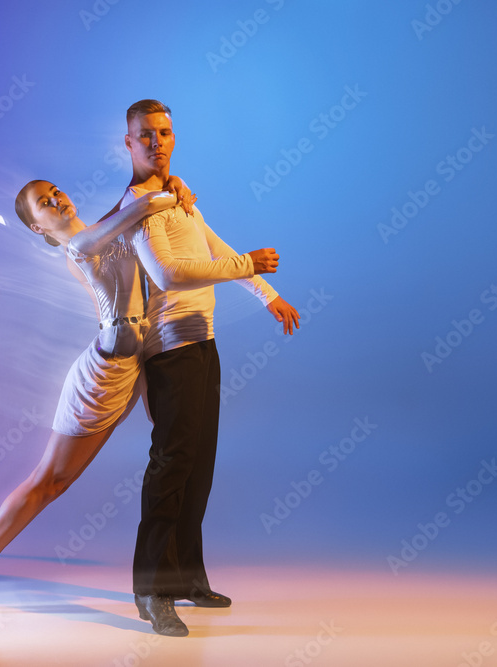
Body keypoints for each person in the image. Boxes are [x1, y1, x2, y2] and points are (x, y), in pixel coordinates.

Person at [0, 176, 233, 612]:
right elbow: (140, 207)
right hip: (101, 376)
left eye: (55, 192)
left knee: (178, 459)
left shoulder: (106, 230)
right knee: (50, 482)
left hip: (134, 366)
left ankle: (181, 576)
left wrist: (172, 185)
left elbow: (131, 222)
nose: (56, 200)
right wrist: (175, 187)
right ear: (38, 228)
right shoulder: (81, 245)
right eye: (44, 204)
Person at [112, 99, 300, 636]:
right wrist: (247, 265)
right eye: (145, 135)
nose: (157, 143)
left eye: (164, 133)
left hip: (203, 342)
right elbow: (170, 274)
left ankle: (187, 576)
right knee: (172, 465)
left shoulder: (178, 193)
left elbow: (210, 246)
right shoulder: (140, 205)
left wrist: (266, 294)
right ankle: (152, 589)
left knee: (199, 467)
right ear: (128, 143)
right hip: (170, 348)